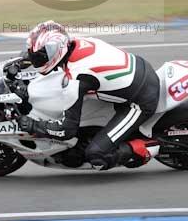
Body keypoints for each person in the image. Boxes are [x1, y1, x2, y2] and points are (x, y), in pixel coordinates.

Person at [16, 21, 161, 171]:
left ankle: (153, 145)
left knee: (97, 155)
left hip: (140, 100)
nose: (36, 59)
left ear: (56, 51)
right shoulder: (76, 44)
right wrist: (21, 62)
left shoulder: (77, 78)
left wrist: (35, 125)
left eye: (40, 56)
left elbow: (66, 131)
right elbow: (41, 53)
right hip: (137, 71)